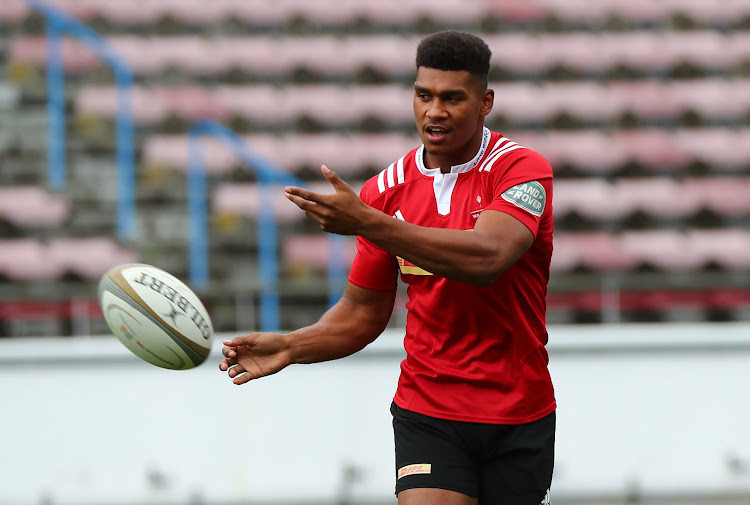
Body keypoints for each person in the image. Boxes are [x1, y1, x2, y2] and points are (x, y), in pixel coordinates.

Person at [220, 30, 555, 505]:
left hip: (520, 411)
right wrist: (293, 345)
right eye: (424, 95)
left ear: (485, 102)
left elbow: (488, 258)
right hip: (429, 410)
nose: (434, 111)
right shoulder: (386, 191)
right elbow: (361, 313)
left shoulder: (521, 170)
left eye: (453, 98)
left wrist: (374, 225)